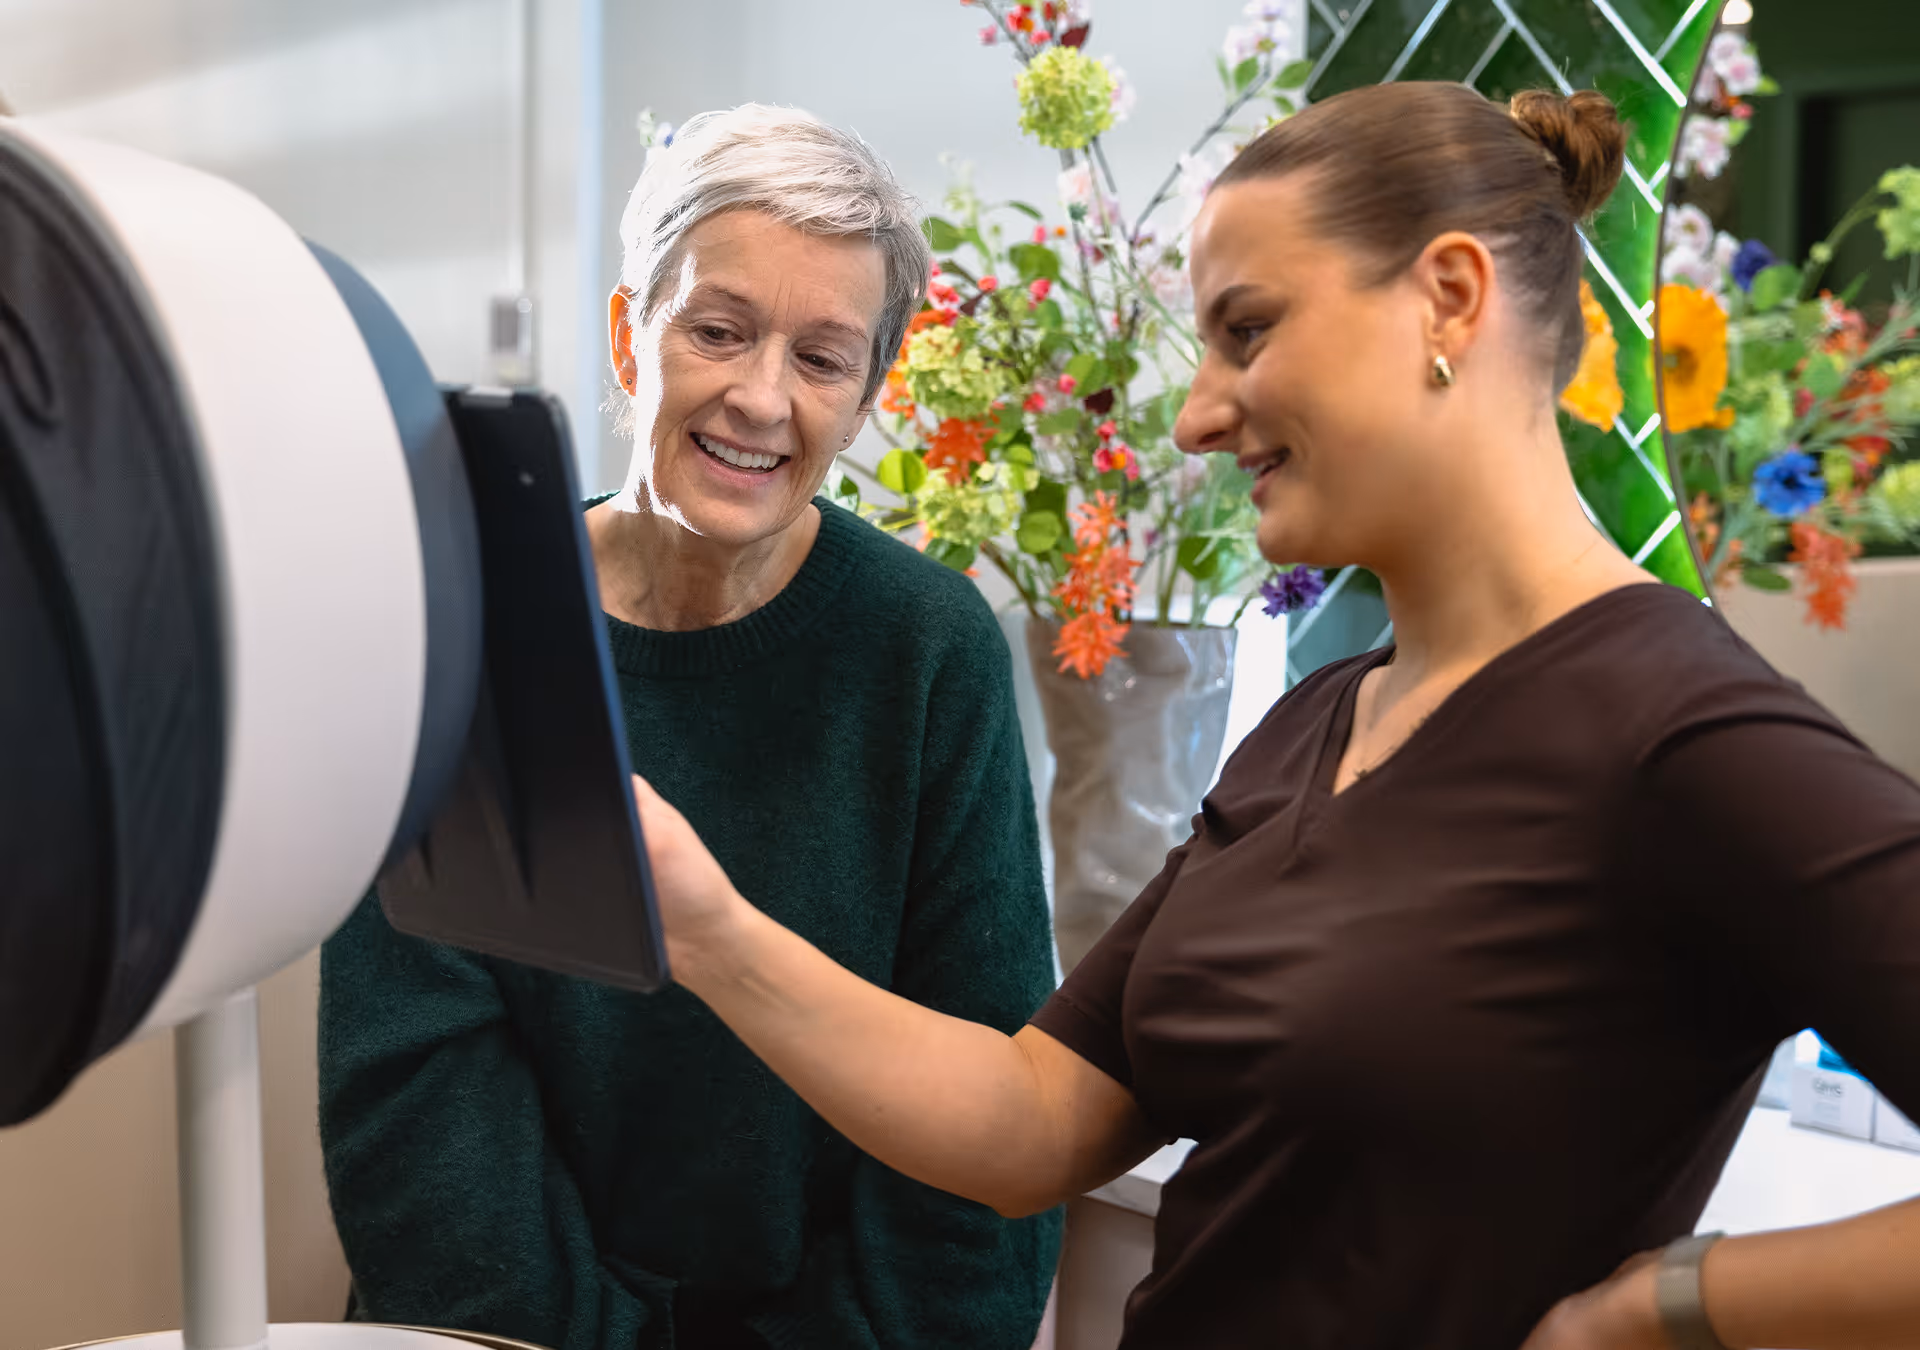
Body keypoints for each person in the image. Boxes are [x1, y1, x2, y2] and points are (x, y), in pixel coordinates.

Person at [624, 82, 1920, 1350]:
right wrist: (707, 925)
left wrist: (1662, 1310)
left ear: (1449, 298)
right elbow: (1034, 1122)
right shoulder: (1321, 719)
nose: (1197, 415)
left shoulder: (1680, 730)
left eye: (1246, 331)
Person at [319, 104, 1062, 1350]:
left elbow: (982, 1151)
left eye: (822, 359)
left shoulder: (930, 650)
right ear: (630, 335)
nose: (762, 398)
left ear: (867, 396)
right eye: (718, 331)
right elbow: (417, 1105)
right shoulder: (467, 617)